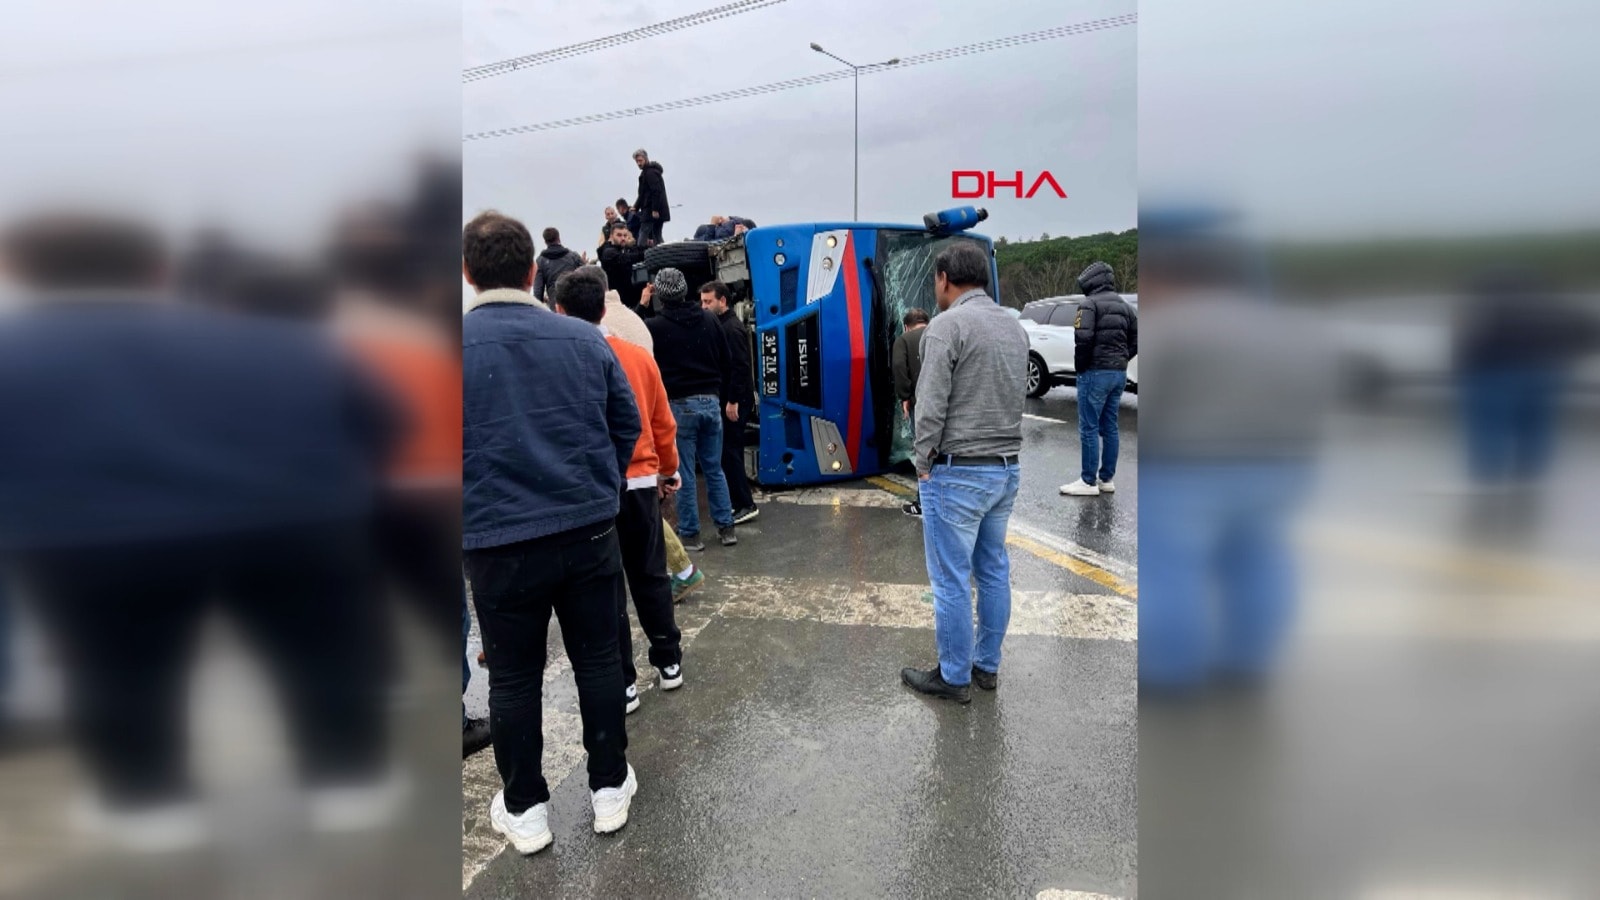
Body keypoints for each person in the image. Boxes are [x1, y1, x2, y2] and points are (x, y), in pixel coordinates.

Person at [0, 213, 399, 843]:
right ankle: (347, 782)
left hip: (89, 540)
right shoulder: (274, 341)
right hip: (291, 522)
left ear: (18, 270)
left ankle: (146, 802)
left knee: (116, 668)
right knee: (319, 654)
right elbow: (379, 422)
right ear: (159, 269)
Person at [461, 211, 641, 853]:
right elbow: (626, 423)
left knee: (512, 677)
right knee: (599, 658)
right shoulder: (583, 340)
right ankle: (609, 787)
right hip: (586, 530)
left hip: (495, 541)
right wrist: (601, 489)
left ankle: (526, 809)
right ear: (532, 269)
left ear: (467, 272)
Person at [553, 268, 686, 714]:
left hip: (592, 490)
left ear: (560, 310)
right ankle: (669, 660)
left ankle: (624, 683)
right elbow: (662, 421)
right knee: (650, 575)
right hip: (642, 480)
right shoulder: (638, 357)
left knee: (606, 587)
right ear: (604, 307)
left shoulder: (563, 363)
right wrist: (669, 469)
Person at [900, 242, 1029, 704]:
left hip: (958, 473)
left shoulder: (946, 326)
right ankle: (986, 666)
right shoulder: (1013, 327)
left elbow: (930, 405)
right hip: (1005, 469)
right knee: (992, 569)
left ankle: (953, 677)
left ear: (944, 279)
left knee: (950, 579)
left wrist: (922, 464)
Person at [590, 265, 706, 600]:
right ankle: (681, 571)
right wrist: (668, 466)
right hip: (647, 428)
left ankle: (682, 571)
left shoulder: (596, 332)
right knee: (648, 513)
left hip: (621, 442)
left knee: (641, 519)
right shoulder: (636, 320)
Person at [644, 268, 738, 549]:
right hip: (711, 401)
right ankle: (726, 528)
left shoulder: (655, 326)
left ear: (660, 295)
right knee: (714, 468)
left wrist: (643, 304)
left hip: (679, 405)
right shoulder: (709, 319)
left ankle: (691, 534)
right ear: (685, 291)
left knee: (683, 472)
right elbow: (727, 359)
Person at [1060, 261, 1137, 497]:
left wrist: (1081, 367)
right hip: (1118, 373)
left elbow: (1082, 339)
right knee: (1110, 426)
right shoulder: (1126, 307)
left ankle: (1088, 481)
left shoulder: (1089, 304)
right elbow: (1136, 339)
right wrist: (1121, 358)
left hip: (1094, 372)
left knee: (1089, 427)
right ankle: (1106, 479)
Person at [700, 281, 760, 524]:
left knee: (730, 452)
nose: (703, 306)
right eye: (702, 302)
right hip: (730, 398)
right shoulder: (723, 325)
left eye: (708, 301)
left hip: (734, 400)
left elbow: (740, 367)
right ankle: (739, 501)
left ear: (722, 301)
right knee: (728, 452)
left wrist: (733, 400)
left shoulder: (731, 329)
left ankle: (745, 503)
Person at [893, 307, 931, 516]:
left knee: (924, 452)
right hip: (946, 403)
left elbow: (899, 367)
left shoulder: (904, 340)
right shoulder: (939, 334)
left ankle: (922, 503)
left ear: (906, 327)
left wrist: (905, 397)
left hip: (922, 404)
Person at [598, 222, 647, 311]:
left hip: (627, 295)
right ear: (611, 236)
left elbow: (634, 252)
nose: (623, 238)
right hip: (619, 299)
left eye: (625, 235)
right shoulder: (608, 252)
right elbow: (625, 258)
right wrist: (646, 254)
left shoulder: (622, 249)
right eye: (619, 235)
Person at [530, 227, 585, 306]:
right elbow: (587, 279)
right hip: (575, 304)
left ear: (545, 242)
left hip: (555, 306)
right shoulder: (573, 257)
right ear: (559, 239)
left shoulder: (540, 261)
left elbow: (538, 292)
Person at [632, 149, 670, 247]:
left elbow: (656, 191)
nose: (638, 163)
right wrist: (636, 206)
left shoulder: (650, 173)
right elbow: (643, 194)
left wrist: (655, 209)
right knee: (657, 236)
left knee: (643, 236)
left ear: (645, 159)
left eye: (640, 160)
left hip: (650, 210)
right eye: (637, 161)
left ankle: (641, 254)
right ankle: (662, 253)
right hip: (652, 210)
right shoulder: (647, 173)